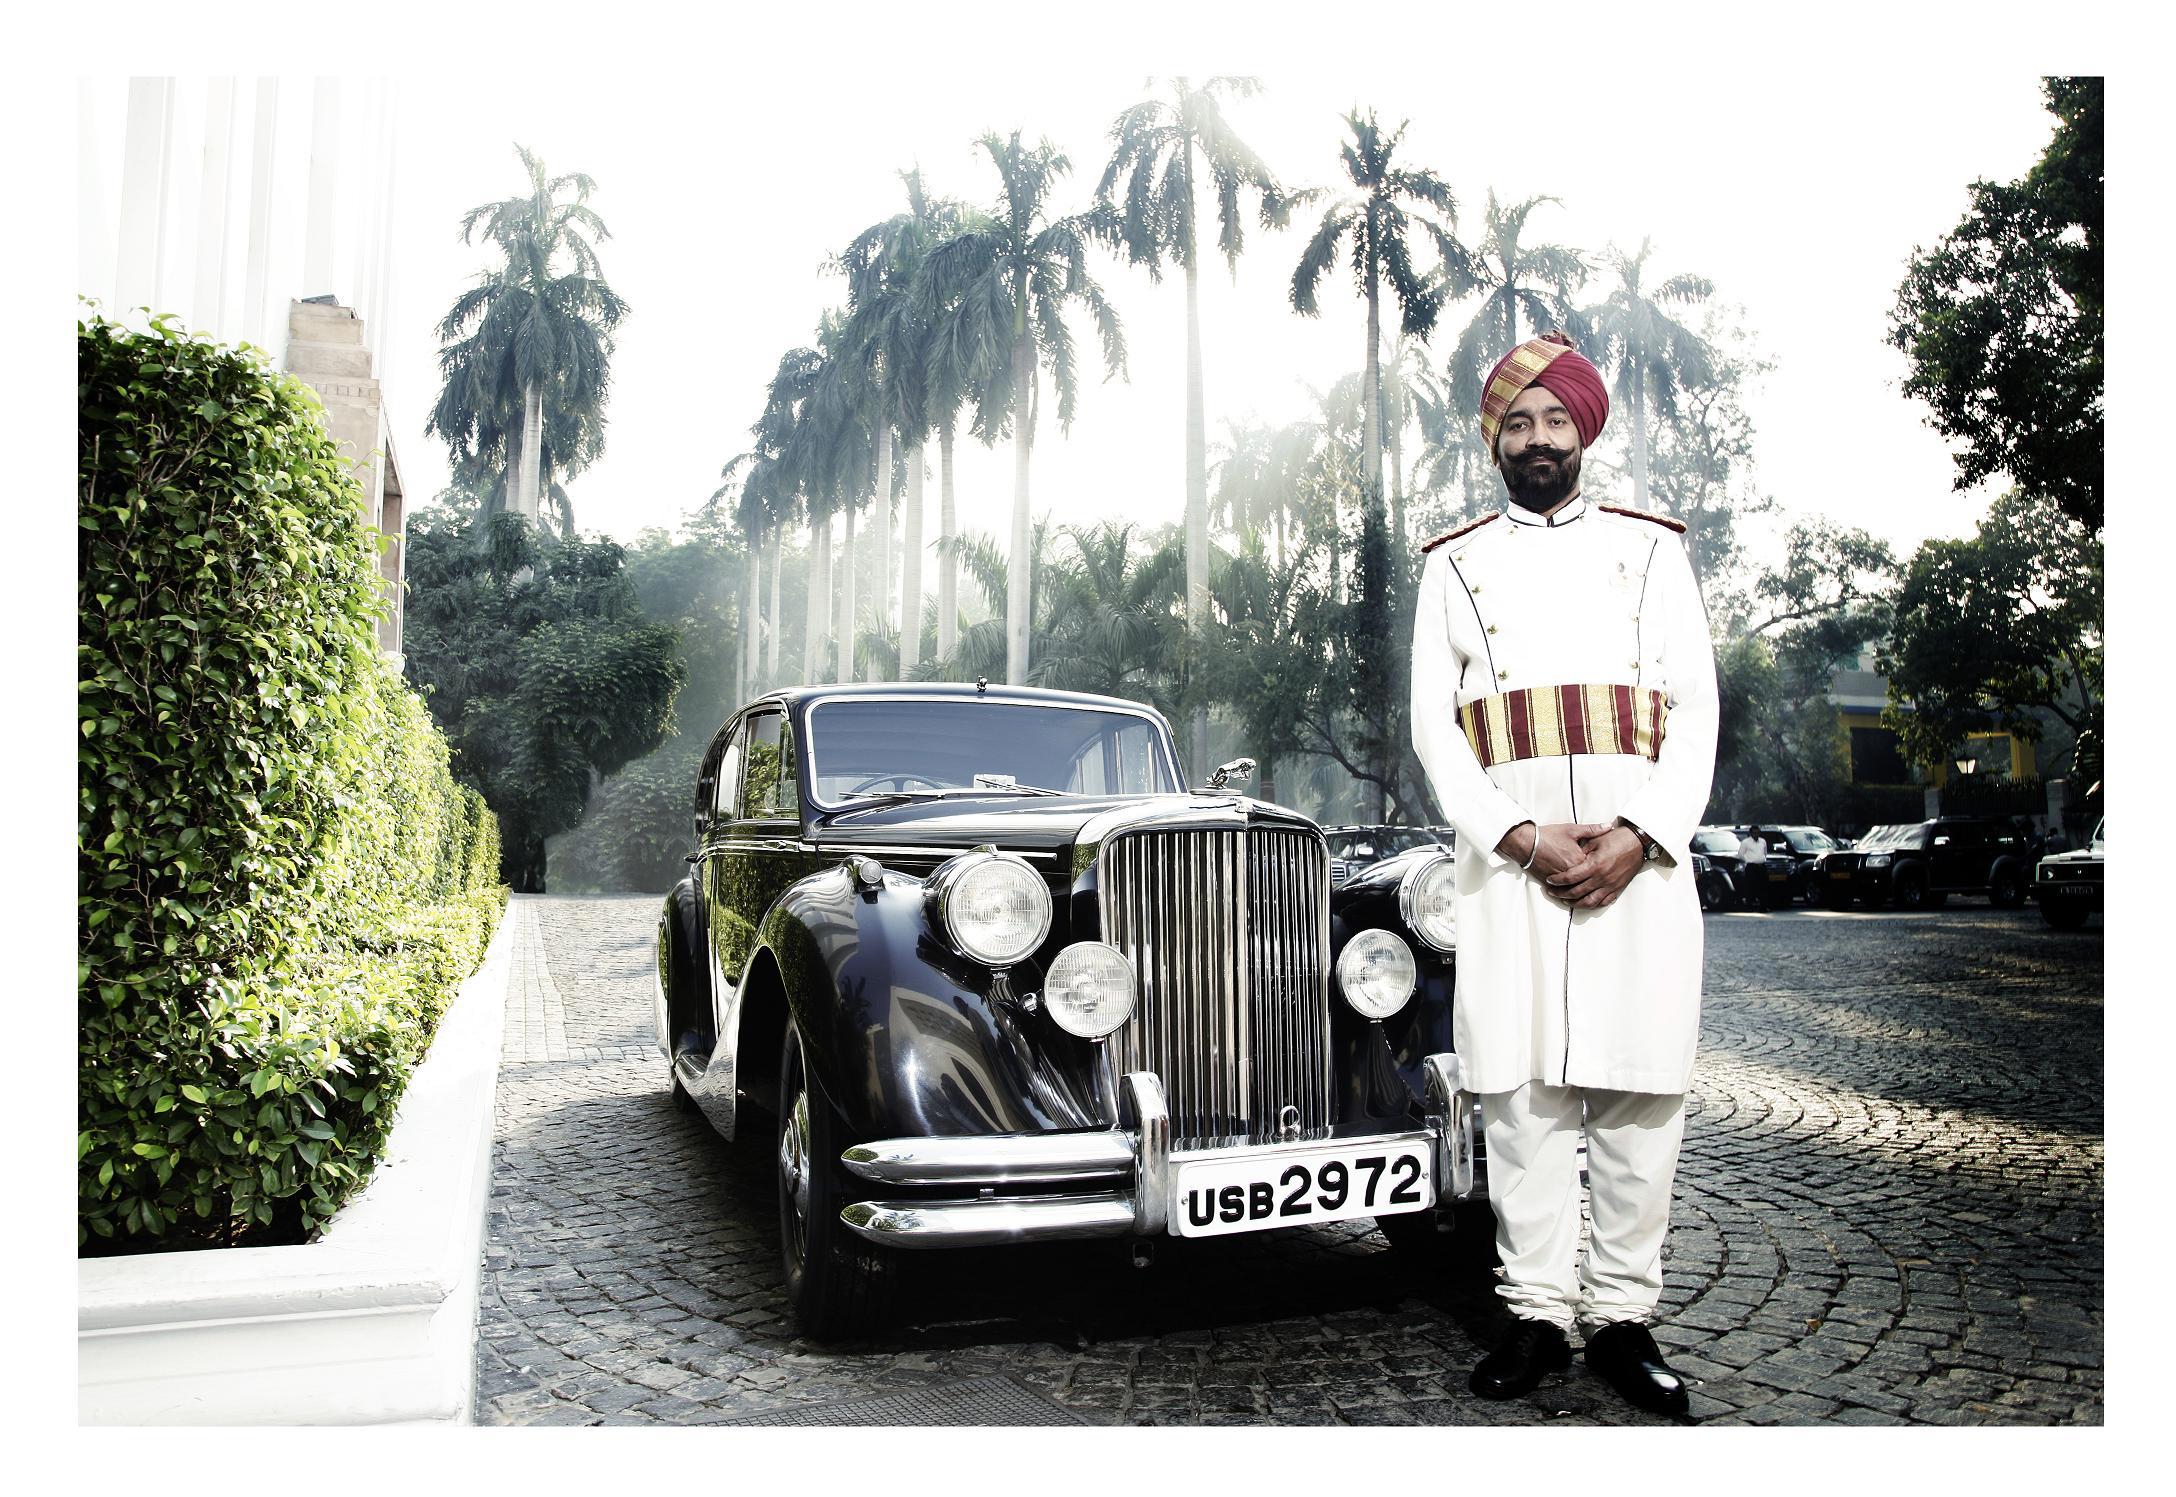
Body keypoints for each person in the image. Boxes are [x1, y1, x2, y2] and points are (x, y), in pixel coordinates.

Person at [1409, 332, 1719, 1418]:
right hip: (1510, 866)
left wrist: (1639, 831)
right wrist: (1517, 834)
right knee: (1522, 1094)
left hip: (1639, 864)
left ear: (1582, 428)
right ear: (1494, 441)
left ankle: (1625, 1319)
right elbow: (1434, 732)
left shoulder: (1653, 550)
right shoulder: (1452, 563)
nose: (1536, 439)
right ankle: (1537, 1313)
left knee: (1638, 1089)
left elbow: (1694, 714)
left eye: (1553, 420)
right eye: (1515, 423)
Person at [1736, 827, 1769, 909]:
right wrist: (1748, 860)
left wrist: (1762, 859)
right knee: (1750, 887)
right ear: (1751, 833)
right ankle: (1749, 906)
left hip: (1761, 866)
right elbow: (1740, 854)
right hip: (1751, 867)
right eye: (1754, 833)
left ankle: (1763, 906)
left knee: (1763, 887)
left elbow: (1765, 852)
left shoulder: (1763, 841)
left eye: (1758, 833)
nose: (1756, 834)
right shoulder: (1746, 842)